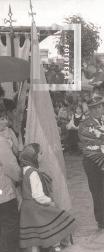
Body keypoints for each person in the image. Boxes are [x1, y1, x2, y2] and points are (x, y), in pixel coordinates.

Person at [19, 143, 77, 252]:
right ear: (34, 157)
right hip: (36, 207)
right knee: (58, 219)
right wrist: (50, 202)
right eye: (40, 153)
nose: (42, 155)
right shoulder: (33, 173)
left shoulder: (25, 170)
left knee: (34, 236)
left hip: (26, 208)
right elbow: (38, 195)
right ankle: (56, 246)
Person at [78, 97, 104, 228]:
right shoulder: (84, 124)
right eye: (94, 108)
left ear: (103, 108)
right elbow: (88, 141)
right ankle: (101, 219)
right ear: (89, 110)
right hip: (93, 162)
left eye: (99, 107)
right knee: (97, 190)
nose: (97, 110)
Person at [0, 104, 20, 252]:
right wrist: (20, 178)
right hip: (3, 192)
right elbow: (10, 166)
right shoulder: (0, 142)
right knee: (9, 225)